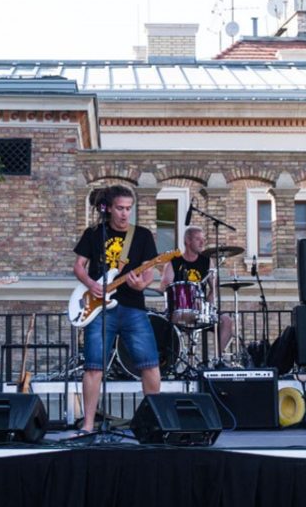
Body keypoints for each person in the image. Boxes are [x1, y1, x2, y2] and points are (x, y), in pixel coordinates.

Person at [73, 185, 161, 433]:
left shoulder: (141, 235)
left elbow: (150, 271)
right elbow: (79, 266)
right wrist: (91, 284)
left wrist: (141, 284)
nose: (124, 213)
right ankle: (88, 425)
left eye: (128, 209)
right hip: (99, 309)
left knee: (149, 363)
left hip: (133, 307)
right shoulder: (94, 233)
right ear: (109, 208)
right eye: (120, 208)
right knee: (93, 366)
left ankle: (154, 422)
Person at [159, 226, 233, 354]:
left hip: (201, 310)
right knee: (170, 321)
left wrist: (208, 304)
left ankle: (217, 359)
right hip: (179, 310)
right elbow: (164, 287)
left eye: (203, 239)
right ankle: (173, 357)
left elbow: (214, 286)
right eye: (198, 239)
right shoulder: (174, 262)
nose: (202, 242)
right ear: (188, 241)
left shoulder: (206, 261)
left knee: (226, 321)